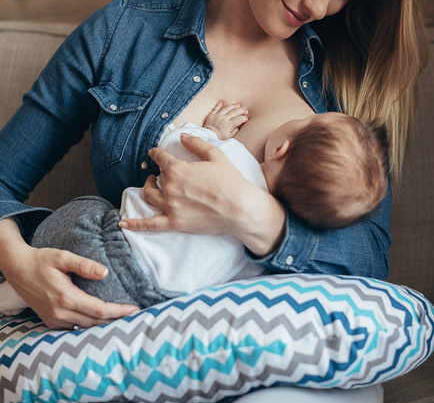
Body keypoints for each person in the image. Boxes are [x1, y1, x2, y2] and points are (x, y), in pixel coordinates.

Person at [0, 0, 428, 403]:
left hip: (297, 363)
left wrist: (260, 219)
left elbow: (370, 266)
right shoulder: (123, 35)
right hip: (139, 343)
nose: (322, 5)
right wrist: (20, 263)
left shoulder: (350, 78)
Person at [0, 101, 389, 314]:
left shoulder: (233, 160)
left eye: (306, 118)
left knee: (85, 208)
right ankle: (25, 281)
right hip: (151, 306)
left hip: (105, 245)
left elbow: (174, 145)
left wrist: (213, 133)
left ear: (282, 147)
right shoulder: (252, 259)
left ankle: (17, 294)